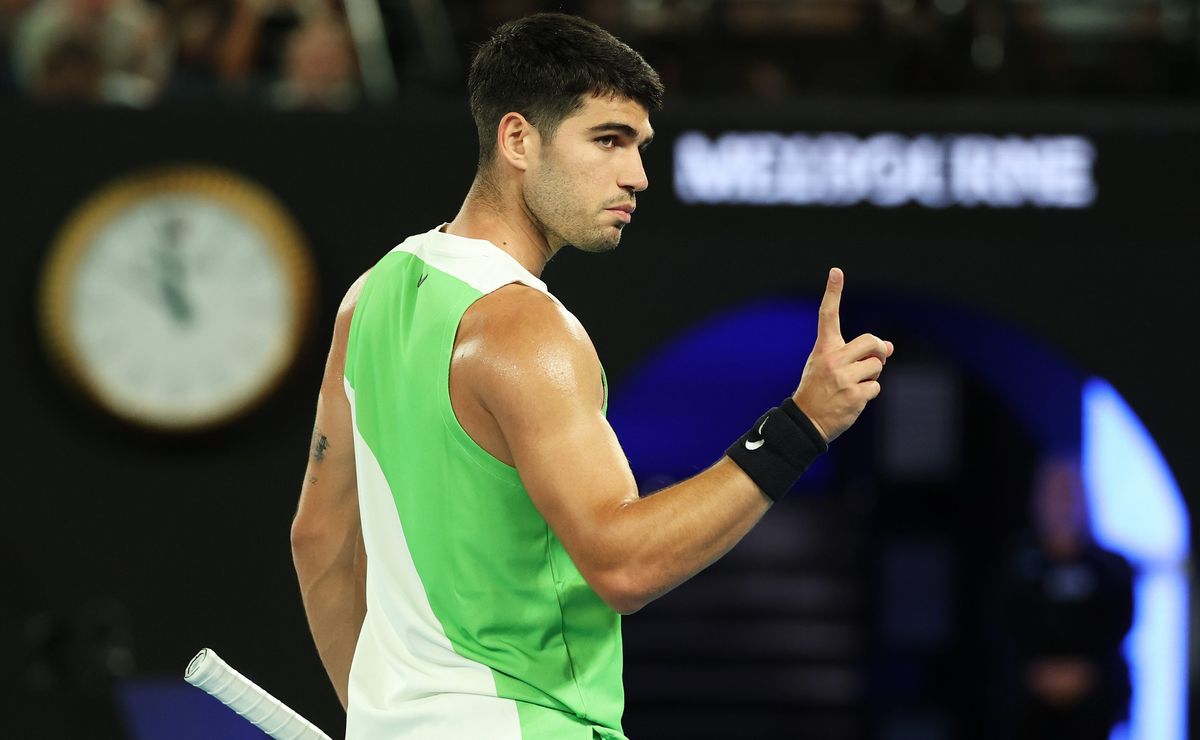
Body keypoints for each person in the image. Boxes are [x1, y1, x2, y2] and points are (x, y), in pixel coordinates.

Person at [289, 12, 894, 739]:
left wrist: (374, 719)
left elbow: (317, 539)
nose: (636, 175)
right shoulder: (525, 329)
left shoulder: (371, 297)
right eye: (608, 139)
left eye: (639, 146)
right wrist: (804, 423)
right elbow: (624, 565)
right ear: (518, 139)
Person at [1001, 453, 1134, 740]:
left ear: (1085, 497)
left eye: (1069, 492)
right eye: (1054, 492)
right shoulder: (1013, 566)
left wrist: (1081, 674)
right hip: (1027, 705)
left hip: (1094, 704)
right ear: (1037, 497)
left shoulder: (1111, 568)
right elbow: (1000, 630)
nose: (1062, 503)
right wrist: (1040, 674)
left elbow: (1119, 627)